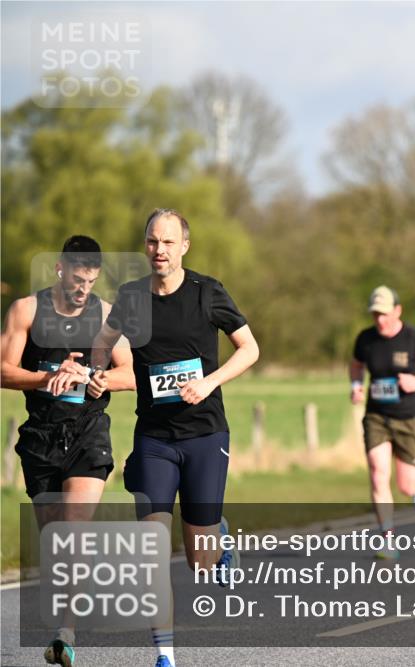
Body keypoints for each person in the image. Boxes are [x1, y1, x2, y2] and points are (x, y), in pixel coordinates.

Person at [90, 209, 259, 667]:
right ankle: (165, 655)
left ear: (184, 246)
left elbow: (250, 348)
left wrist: (209, 382)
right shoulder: (131, 297)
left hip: (204, 434)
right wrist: (97, 371)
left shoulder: (208, 292)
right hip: (154, 439)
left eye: (167, 242)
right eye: (152, 241)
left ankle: (219, 541)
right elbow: (103, 344)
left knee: (198, 561)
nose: (159, 250)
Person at [0, 235, 135, 667]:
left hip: (88, 432)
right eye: (77, 280)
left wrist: (99, 379)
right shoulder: (27, 310)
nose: (83, 290)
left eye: (91, 282)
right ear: (60, 268)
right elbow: (3, 370)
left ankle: (66, 633)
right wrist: (48, 378)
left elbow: (130, 372)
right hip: (41, 436)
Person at [350, 286, 415, 559]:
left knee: (406, 486)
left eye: (384, 314)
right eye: (375, 314)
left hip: (408, 417)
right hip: (376, 416)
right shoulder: (366, 339)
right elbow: (356, 364)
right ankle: (388, 539)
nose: (380, 320)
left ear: (397, 311)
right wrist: (356, 385)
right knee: (377, 472)